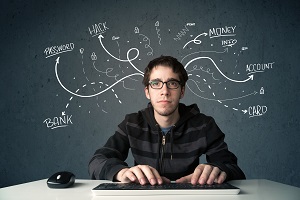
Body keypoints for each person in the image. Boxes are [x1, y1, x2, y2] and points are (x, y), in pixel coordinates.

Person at [88, 55, 246, 185]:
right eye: (156, 83)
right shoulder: (132, 123)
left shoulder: (203, 125)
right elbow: (97, 161)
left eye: (172, 83)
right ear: (147, 92)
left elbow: (234, 170)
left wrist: (217, 170)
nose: (165, 91)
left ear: (182, 91)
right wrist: (121, 173)